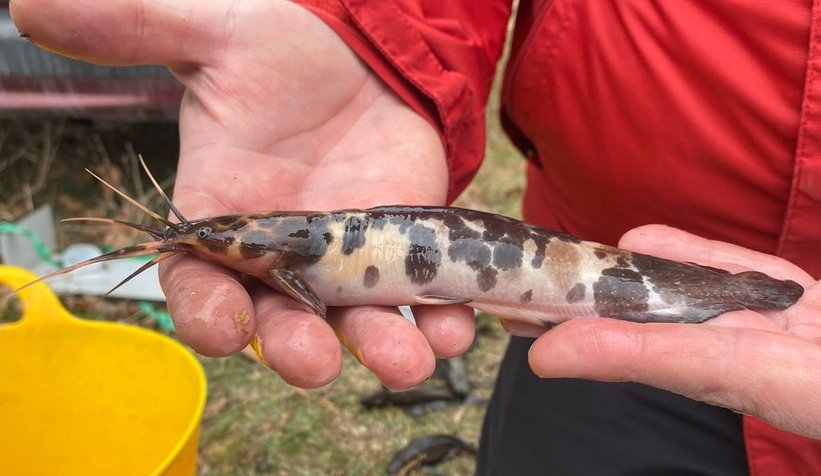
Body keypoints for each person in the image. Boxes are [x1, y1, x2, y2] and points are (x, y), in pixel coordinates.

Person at [11, 0, 821, 473]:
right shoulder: (280, 248)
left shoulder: (283, 253)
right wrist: (372, 34)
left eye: (218, 235)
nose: (208, 238)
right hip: (588, 274)